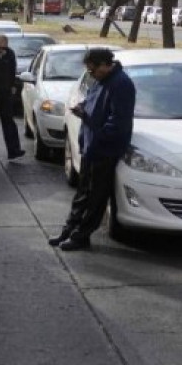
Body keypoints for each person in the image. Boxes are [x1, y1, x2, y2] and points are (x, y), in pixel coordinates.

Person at [49, 48, 136, 252]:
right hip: (91, 146)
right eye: (89, 70)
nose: (91, 74)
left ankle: (81, 236)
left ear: (106, 64)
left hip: (104, 149)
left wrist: (90, 122)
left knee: (95, 197)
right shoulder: (101, 80)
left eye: (93, 69)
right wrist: (83, 109)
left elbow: (118, 122)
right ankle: (69, 229)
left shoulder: (121, 84)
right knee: (83, 193)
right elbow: (92, 104)